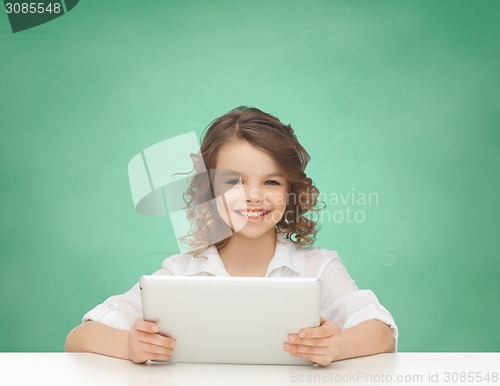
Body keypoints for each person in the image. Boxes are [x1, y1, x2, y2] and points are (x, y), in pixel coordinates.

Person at [65, 106, 397, 366]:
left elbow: (381, 334)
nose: (253, 196)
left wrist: (336, 346)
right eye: (233, 181)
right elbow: (79, 338)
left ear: (291, 190)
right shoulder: (179, 274)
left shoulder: (319, 268)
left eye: (271, 182)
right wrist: (128, 345)